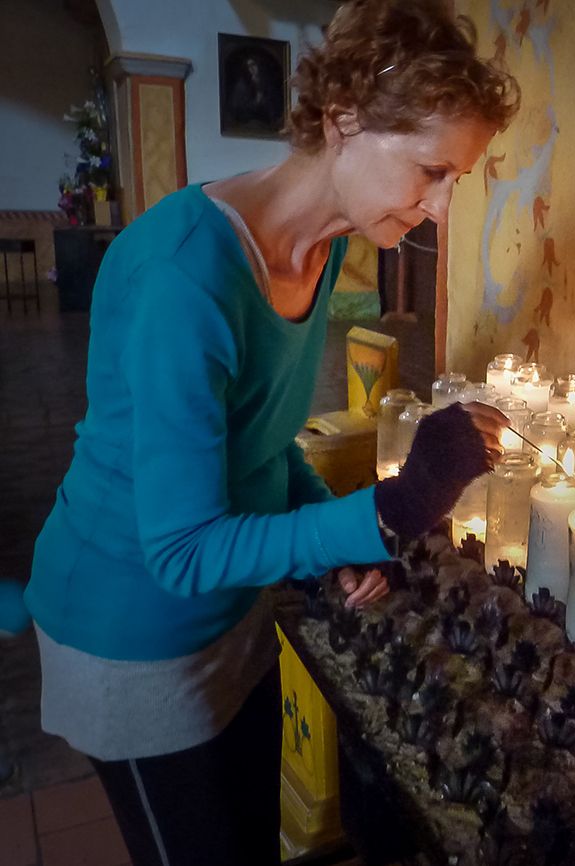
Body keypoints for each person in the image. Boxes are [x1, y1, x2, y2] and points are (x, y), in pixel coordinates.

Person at [23, 2, 519, 864]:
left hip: (233, 617)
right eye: (430, 170)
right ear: (346, 120)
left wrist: (334, 537)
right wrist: (392, 507)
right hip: (132, 636)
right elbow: (177, 551)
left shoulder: (319, 252)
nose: (440, 208)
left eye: (457, 181)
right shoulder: (187, 277)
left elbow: (260, 441)